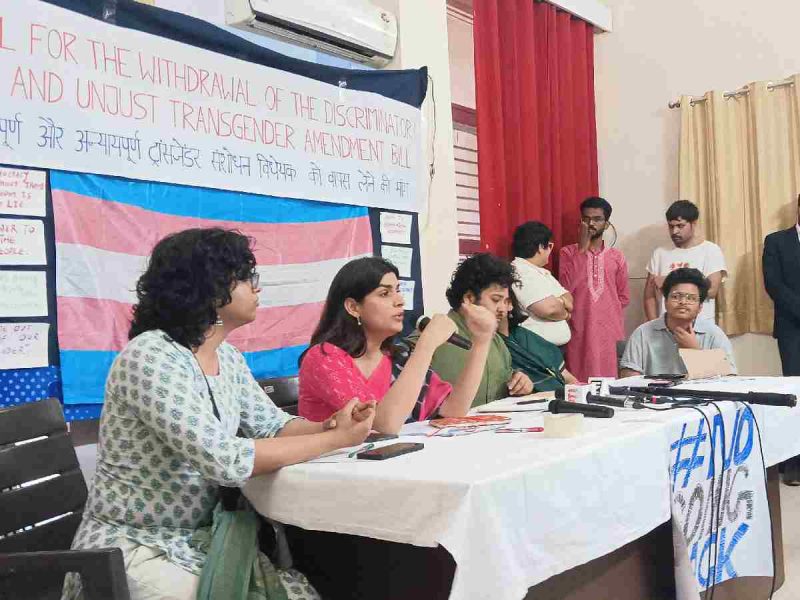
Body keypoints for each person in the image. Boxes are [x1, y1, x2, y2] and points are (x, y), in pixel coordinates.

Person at [63, 228, 376, 600]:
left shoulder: (226, 357)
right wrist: (334, 440)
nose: (257, 288)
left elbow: (274, 426)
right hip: (133, 548)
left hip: (203, 541)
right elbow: (226, 461)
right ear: (209, 288)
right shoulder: (149, 357)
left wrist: (328, 424)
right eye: (246, 278)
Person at [298, 256, 498, 433]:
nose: (400, 301)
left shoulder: (399, 357)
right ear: (353, 307)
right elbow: (382, 426)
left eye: (398, 291)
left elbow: (453, 411)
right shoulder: (324, 357)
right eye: (385, 294)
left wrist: (481, 342)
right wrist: (426, 344)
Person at [408, 253, 534, 407]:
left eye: (505, 301)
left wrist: (520, 383)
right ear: (468, 298)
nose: (503, 309)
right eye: (495, 300)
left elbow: (504, 383)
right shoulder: (431, 335)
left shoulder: (497, 342)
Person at [559, 197, 630, 381]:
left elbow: (623, 297)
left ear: (606, 224)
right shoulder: (567, 253)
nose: (591, 223)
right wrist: (581, 250)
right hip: (579, 329)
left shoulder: (617, 257)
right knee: (579, 384)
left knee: (610, 385)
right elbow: (566, 288)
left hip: (609, 332)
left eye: (597, 219)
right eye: (586, 218)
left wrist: (603, 315)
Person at [620, 268, 737, 377]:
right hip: (653, 397)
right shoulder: (643, 333)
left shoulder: (713, 334)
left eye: (691, 298)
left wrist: (694, 352)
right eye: (676, 296)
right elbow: (628, 376)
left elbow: (729, 381)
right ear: (665, 302)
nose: (683, 302)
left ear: (700, 307)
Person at [763, 193, 800, 485]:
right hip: (792, 329)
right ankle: (795, 465)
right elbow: (773, 284)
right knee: (797, 394)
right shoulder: (776, 241)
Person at [644, 200, 726, 322]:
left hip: (700, 327)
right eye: (671, 226)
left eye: (680, 226)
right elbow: (649, 296)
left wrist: (668, 281)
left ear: (693, 224)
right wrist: (653, 325)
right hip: (666, 327)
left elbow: (712, 290)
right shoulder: (659, 253)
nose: (674, 231)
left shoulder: (710, 250)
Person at [498, 289, 578, 391]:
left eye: (496, 300)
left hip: (561, 400)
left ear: (509, 304)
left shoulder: (524, 336)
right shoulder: (484, 346)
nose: (496, 308)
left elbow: (570, 380)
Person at [511, 221, 573, 348]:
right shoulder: (520, 271)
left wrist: (558, 301)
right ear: (540, 247)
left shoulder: (541, 272)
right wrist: (566, 314)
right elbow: (549, 309)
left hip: (550, 350)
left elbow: (569, 299)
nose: (550, 250)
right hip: (535, 351)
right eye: (549, 246)